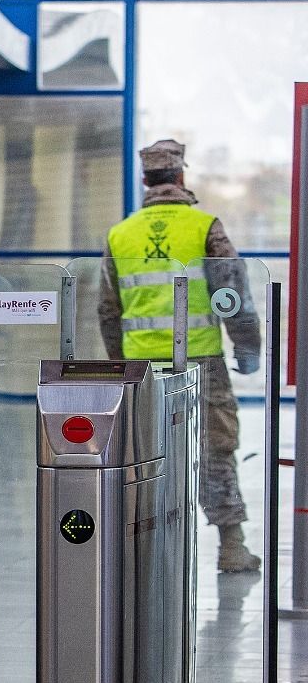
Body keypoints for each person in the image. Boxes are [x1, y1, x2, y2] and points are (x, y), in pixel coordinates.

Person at [98, 139, 262, 573]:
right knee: (215, 448)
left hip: (140, 368)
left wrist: (120, 363)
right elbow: (233, 292)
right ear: (181, 177)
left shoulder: (120, 234)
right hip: (201, 360)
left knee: (143, 452)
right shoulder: (205, 225)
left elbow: (108, 311)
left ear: (144, 181)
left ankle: (144, 549)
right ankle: (231, 545)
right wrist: (247, 346)